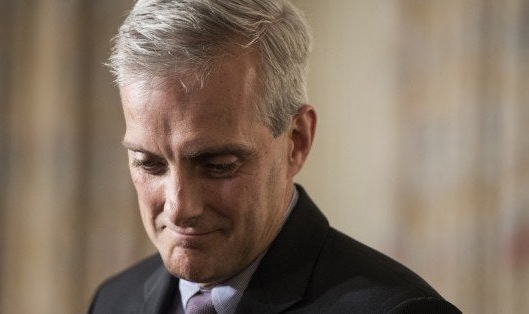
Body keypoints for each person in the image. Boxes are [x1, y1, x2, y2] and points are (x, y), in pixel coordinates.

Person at [89, 0, 460, 313]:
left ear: (296, 141)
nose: (179, 207)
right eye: (148, 163)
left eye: (218, 166)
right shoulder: (114, 301)